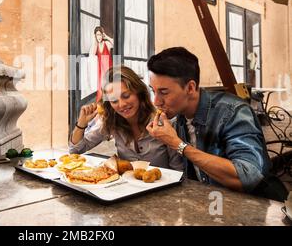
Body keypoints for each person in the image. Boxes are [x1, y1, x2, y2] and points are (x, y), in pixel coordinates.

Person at [146, 47, 287, 201]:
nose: (156, 101)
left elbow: (248, 176)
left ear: (190, 88)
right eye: (153, 91)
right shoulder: (178, 117)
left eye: (164, 92)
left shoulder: (233, 111)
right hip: (215, 206)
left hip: (262, 206)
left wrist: (177, 144)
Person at [70, 65, 184, 171]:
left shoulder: (164, 122)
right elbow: (75, 151)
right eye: (114, 100)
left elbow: (178, 171)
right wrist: (81, 124)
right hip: (126, 189)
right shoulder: (111, 122)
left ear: (138, 92)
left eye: (126, 96)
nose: (122, 104)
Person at [89, 26, 114, 101]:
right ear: (95, 36)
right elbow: (91, 54)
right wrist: (94, 40)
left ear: (102, 35)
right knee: (100, 89)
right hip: (100, 70)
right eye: (97, 35)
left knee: (109, 88)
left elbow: (115, 43)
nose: (99, 37)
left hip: (108, 69)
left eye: (100, 34)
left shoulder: (106, 43)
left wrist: (106, 37)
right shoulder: (95, 45)